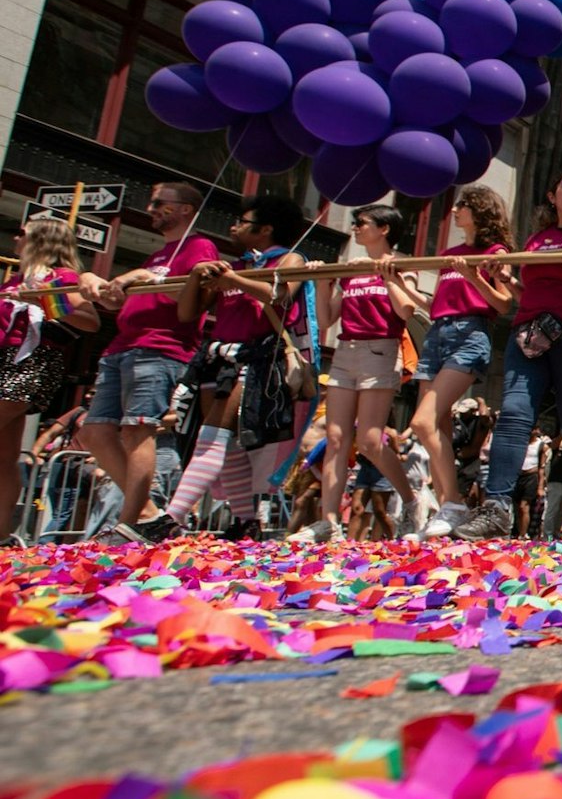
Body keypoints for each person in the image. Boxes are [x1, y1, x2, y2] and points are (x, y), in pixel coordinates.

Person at [458, 172, 562, 540]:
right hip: (530, 336)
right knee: (514, 413)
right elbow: (526, 292)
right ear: (552, 196)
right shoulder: (535, 241)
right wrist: (501, 278)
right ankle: (496, 508)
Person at [76, 181, 221, 543]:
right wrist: (93, 282)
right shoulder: (157, 255)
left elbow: (190, 296)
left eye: (160, 203)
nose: (151, 209)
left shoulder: (199, 247)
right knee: (94, 431)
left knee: (137, 430)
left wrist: (139, 278)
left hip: (160, 347)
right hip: (121, 346)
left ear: (185, 209)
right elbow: (117, 303)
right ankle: (149, 516)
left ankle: (130, 525)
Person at [169, 195, 308, 538]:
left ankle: (170, 518)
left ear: (265, 229)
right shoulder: (235, 264)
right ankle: (245, 521)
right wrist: (196, 277)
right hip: (214, 358)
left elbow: (280, 296)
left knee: (212, 439)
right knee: (225, 445)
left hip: (253, 356)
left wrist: (236, 281)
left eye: (242, 222)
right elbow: (187, 314)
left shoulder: (291, 258)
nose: (233, 227)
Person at [292, 204, 425, 542]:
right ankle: (329, 521)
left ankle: (410, 502)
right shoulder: (351, 269)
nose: (354, 227)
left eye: (361, 222)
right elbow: (325, 320)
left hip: (380, 349)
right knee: (335, 438)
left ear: (384, 229)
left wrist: (386, 275)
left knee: (369, 439)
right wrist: (325, 283)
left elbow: (406, 309)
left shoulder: (400, 264)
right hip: (346, 350)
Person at [408, 185, 513, 540]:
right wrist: (397, 283)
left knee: (421, 422)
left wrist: (473, 276)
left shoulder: (494, 252)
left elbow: (503, 303)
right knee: (435, 425)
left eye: (462, 205)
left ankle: (453, 503)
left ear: (480, 211)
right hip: (438, 332)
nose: (454, 211)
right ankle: (445, 510)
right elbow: (434, 305)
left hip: (471, 332)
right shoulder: (449, 253)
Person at [0, 220, 100, 538]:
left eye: (23, 234)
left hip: (30, 362)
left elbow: (90, 321)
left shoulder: (64, 279)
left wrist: (42, 300)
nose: (16, 238)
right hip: (6, 361)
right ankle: (2, 533)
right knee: (5, 456)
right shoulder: (15, 278)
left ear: (42, 241)